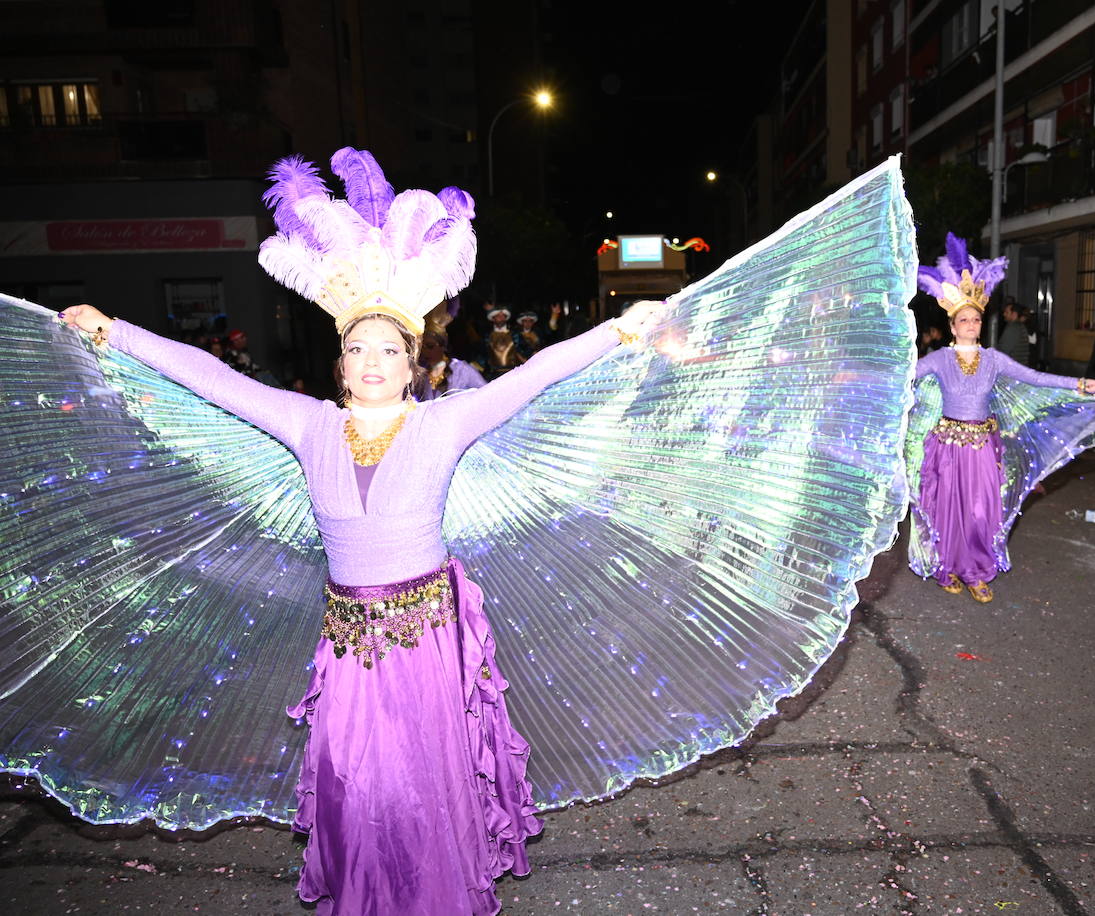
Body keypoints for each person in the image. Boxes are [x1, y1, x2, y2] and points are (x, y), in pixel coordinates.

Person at [59, 149, 665, 915]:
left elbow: (533, 377)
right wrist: (116, 333)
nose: (371, 361)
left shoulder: (446, 424)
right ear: (339, 364)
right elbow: (214, 379)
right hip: (348, 646)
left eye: (388, 350)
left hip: (426, 641)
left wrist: (621, 331)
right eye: (356, 349)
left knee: (423, 785)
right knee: (355, 779)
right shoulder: (308, 424)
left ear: (413, 363)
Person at [911, 234, 1095, 603]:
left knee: (983, 509)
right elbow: (903, 376)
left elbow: (1037, 378)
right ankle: (949, 567)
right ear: (953, 326)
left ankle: (977, 572)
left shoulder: (994, 360)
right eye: (964, 320)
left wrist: (1078, 383)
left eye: (976, 319)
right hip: (948, 446)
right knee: (949, 508)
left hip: (983, 445)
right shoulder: (938, 359)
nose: (971, 324)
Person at [418, 328, 486, 398]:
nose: (425, 351)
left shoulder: (461, 369)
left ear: (443, 347)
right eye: (422, 347)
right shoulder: (423, 375)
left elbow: (486, 393)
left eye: (430, 346)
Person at [994, 299, 1030, 366]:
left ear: (1014, 314)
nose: (1004, 314)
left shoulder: (1013, 328)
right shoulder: (1020, 326)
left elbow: (1004, 350)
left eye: (1007, 312)